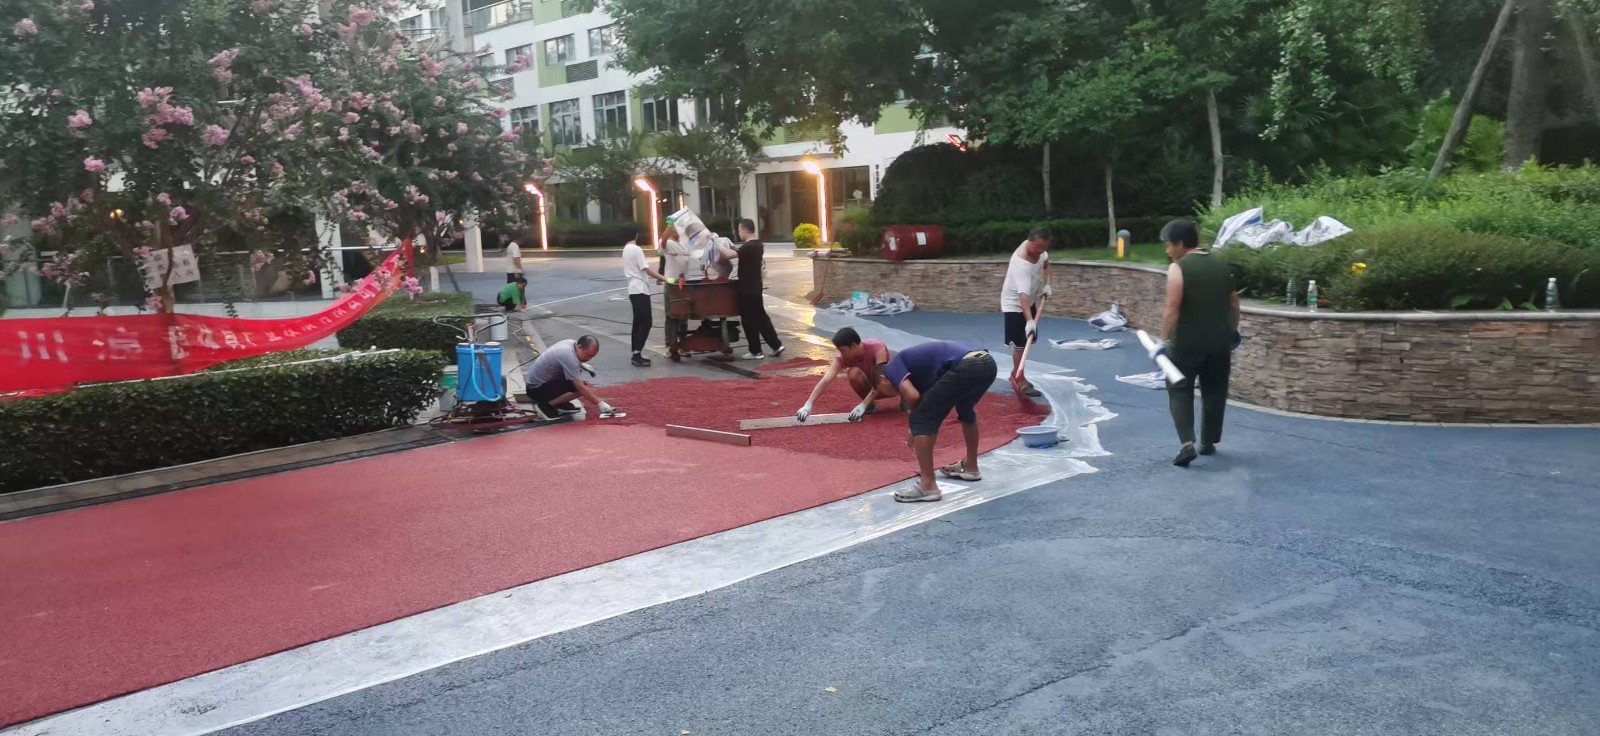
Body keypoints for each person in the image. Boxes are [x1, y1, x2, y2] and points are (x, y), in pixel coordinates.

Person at [1160, 219, 1241, 467]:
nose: (1167, 250)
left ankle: (1187, 444)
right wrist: (1231, 331)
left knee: (1179, 389)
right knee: (1215, 391)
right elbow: (1234, 303)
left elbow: (1172, 308)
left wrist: (1164, 340)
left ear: (1180, 243)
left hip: (1186, 344)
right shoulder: (1221, 264)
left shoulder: (1178, 268)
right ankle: (1209, 442)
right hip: (1219, 343)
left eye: (1169, 245)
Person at [885, 340, 998, 503]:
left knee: (921, 418)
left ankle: (928, 485)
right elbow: (933, 398)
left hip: (966, 366)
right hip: (987, 363)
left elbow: (913, 397)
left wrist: (916, 426)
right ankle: (971, 467)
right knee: (965, 409)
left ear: (882, 379)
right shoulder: (918, 370)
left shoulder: (891, 368)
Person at [795, 327, 895, 423]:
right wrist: (808, 404)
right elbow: (826, 380)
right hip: (873, 387)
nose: (841, 354)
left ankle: (902, 400)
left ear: (853, 346)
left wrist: (862, 405)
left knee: (883, 379)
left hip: (891, 387)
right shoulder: (842, 358)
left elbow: (880, 380)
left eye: (843, 350)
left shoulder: (877, 348)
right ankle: (870, 405)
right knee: (853, 373)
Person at [1002, 227, 1052, 398]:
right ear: (1029, 241)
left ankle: (1016, 374)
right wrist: (1030, 321)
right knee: (1021, 344)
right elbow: (1022, 297)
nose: (1040, 251)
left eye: (1043, 248)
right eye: (1037, 247)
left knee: (1027, 342)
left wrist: (1047, 283)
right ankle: (1019, 379)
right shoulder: (1021, 263)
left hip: (1028, 300)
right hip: (1015, 305)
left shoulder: (1041, 252)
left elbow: (1046, 264)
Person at [523, 335, 622, 419]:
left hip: (541, 383)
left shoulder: (571, 343)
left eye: (592, 356)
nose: (589, 359)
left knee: (577, 384)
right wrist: (600, 403)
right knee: (579, 388)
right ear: (579, 347)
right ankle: (546, 406)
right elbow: (580, 387)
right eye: (587, 355)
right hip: (536, 390)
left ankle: (559, 403)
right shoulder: (568, 355)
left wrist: (581, 364)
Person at [727, 218, 784, 360]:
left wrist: (715, 242)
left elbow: (729, 255)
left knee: (749, 320)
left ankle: (756, 351)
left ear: (745, 229)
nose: (739, 233)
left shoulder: (748, 247)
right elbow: (740, 252)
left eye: (739, 230)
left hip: (746, 289)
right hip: (756, 287)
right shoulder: (758, 245)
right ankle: (776, 345)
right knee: (761, 318)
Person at [622, 231, 673, 368]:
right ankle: (636, 354)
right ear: (636, 235)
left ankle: (636, 352)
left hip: (633, 289)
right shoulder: (636, 249)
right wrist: (665, 279)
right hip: (640, 289)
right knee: (646, 322)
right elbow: (646, 269)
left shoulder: (626, 249)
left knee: (638, 322)